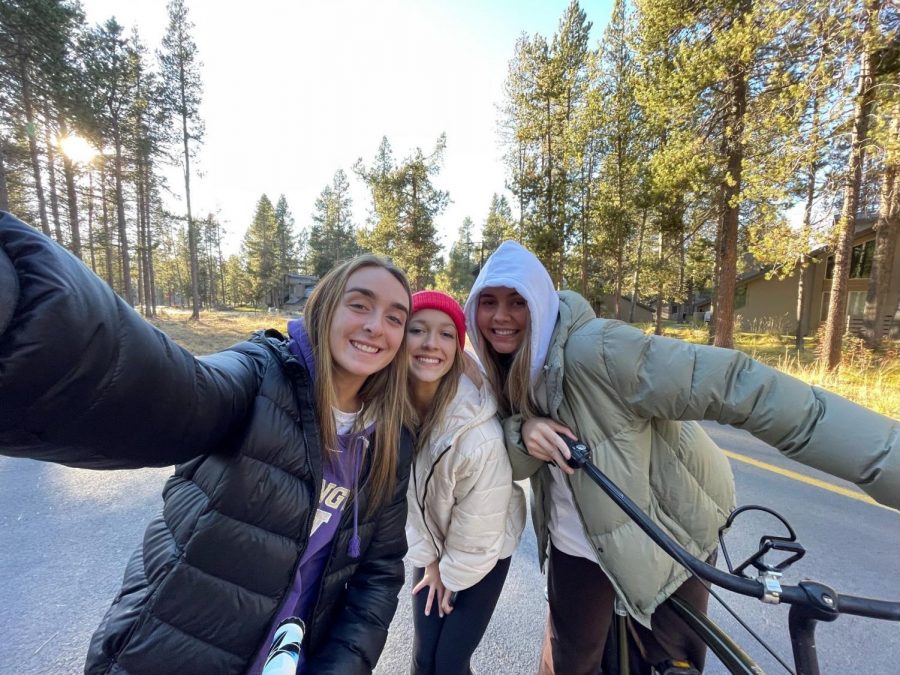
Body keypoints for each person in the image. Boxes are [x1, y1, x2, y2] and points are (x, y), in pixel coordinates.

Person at [0, 211, 415, 675]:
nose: (377, 326)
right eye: (360, 305)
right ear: (324, 307)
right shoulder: (264, 374)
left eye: (395, 318)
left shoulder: (391, 441)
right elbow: (177, 392)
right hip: (171, 650)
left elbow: (378, 573)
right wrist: (24, 309)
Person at [463, 240, 900, 675]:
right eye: (489, 302)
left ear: (539, 302)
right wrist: (524, 429)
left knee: (674, 664)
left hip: (667, 531)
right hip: (575, 542)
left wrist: (887, 461)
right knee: (569, 663)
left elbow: (739, 386)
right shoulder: (502, 368)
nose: (501, 317)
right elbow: (515, 461)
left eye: (517, 301)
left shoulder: (600, 350)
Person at [404, 291, 525, 675]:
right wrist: (427, 560)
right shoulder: (393, 407)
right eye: (417, 330)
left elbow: (480, 527)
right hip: (432, 543)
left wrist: (446, 573)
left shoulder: (477, 433)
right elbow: (406, 499)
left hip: (484, 549)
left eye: (445, 334)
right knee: (424, 659)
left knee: (449, 662)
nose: (430, 344)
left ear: (458, 347)